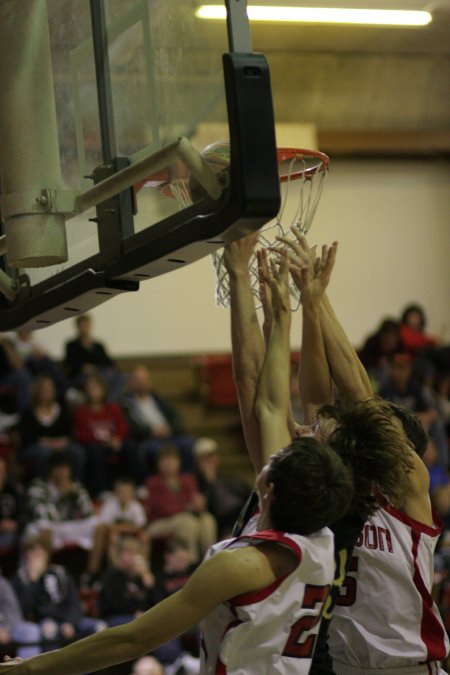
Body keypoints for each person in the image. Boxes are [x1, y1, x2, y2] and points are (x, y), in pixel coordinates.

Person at [0, 249, 353, 675]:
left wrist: (27, 670)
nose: (290, 432)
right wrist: (264, 303)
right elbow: (262, 398)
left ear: (270, 485)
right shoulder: (319, 536)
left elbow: (133, 638)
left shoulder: (241, 566)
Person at [277, 231, 449, 674]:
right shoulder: (338, 493)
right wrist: (309, 307)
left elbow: (359, 397)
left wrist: (319, 298)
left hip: (407, 667)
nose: (316, 429)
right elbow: (316, 401)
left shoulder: (407, 495)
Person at [23, 452, 108, 581]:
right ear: (51, 470)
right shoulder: (39, 486)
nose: (63, 472)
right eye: (59, 468)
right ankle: (43, 575)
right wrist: (61, 497)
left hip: (67, 526)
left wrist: (74, 494)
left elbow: (88, 512)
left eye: (66, 468)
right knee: (45, 528)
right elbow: (43, 515)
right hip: (46, 527)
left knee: (99, 525)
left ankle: (91, 576)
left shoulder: (74, 487)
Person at [11, 537, 106, 650]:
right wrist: (34, 580)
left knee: (100, 627)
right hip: (44, 620)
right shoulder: (21, 578)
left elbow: (74, 601)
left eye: (40, 553)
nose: (37, 557)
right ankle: (55, 667)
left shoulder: (60, 572)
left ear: (47, 554)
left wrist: (71, 622)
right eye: (33, 553)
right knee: (49, 630)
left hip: (68, 618)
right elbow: (25, 609)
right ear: (26, 556)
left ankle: (96, 666)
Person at [121, 365, 196, 480]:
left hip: (169, 434)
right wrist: (152, 431)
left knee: (191, 444)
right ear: (131, 382)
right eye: (138, 380)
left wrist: (169, 429)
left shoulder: (159, 399)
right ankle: (162, 484)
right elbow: (130, 426)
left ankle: (184, 480)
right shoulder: (126, 403)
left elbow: (177, 418)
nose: (142, 382)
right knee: (159, 450)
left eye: (144, 379)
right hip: (148, 438)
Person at [144, 445, 216, 562]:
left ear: (178, 462)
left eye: (172, 461)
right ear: (159, 464)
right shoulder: (153, 482)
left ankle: (210, 559)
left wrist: (199, 504)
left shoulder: (187, 479)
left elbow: (195, 499)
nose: (169, 464)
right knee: (187, 522)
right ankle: (191, 561)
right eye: (165, 461)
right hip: (160, 522)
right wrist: (187, 507)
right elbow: (163, 508)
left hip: (185, 517)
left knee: (208, 520)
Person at [18, 374, 85, 483]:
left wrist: (62, 441)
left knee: (77, 451)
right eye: (44, 388)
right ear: (37, 390)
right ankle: (42, 485)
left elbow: (69, 432)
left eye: (50, 387)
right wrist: (49, 443)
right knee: (44, 452)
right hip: (36, 446)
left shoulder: (62, 410)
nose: (48, 390)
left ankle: (74, 485)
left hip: (61, 443)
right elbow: (27, 437)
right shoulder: (28, 413)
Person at [73, 374, 129, 497]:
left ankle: (132, 486)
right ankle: (101, 490)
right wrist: (103, 441)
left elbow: (123, 426)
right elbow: (82, 434)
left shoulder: (113, 408)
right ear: (86, 391)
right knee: (96, 451)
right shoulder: (81, 411)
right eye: (91, 388)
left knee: (129, 446)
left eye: (97, 388)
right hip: (94, 444)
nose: (94, 392)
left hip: (114, 441)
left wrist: (116, 438)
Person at [63, 314, 126, 401]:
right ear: (77, 327)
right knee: (97, 377)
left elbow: (107, 361)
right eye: (82, 326)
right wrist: (84, 367)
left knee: (121, 376)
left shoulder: (98, 345)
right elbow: (71, 363)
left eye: (86, 325)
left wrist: (113, 367)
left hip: (100, 373)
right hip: (81, 376)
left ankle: (110, 401)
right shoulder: (71, 345)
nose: (84, 328)